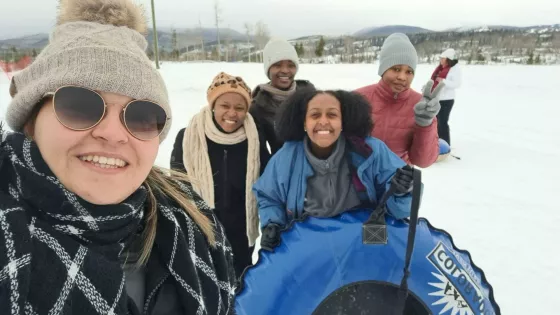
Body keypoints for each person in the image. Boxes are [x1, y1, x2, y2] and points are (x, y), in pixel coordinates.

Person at [0, 1, 235, 314]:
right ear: (31, 122)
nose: (113, 133)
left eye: (141, 115)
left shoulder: (194, 227)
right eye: (79, 105)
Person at [252, 87, 415, 251]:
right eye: (315, 115)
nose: (323, 121)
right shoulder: (287, 157)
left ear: (343, 121)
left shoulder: (370, 151)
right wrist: (272, 222)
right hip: (307, 248)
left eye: (332, 115)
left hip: (363, 244)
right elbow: (268, 196)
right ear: (303, 123)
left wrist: (402, 192)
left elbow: (400, 210)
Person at [170, 72, 269, 277]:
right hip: (202, 228)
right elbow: (178, 186)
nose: (232, 113)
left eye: (239, 107)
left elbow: (267, 182)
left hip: (241, 231)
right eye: (225, 105)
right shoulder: (188, 136)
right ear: (213, 105)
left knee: (239, 282)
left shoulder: (254, 138)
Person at [355, 33, 444, 168]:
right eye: (396, 69)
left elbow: (423, 161)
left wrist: (425, 124)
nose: (402, 77)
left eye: (409, 72)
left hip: (398, 182)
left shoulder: (422, 106)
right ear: (383, 69)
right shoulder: (358, 98)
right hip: (359, 181)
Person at [249, 38, 314, 155]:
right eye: (277, 65)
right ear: (268, 69)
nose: (285, 70)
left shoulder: (309, 94)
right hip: (284, 168)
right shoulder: (259, 106)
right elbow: (261, 153)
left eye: (290, 65)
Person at [431, 48, 462, 146]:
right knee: (435, 122)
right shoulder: (441, 68)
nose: (440, 60)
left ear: (448, 59)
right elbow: (433, 80)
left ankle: (445, 144)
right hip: (437, 98)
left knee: (443, 122)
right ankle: (435, 142)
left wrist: (443, 81)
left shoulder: (455, 69)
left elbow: (457, 83)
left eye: (442, 58)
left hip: (447, 100)